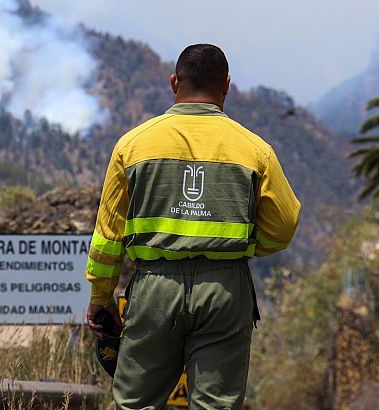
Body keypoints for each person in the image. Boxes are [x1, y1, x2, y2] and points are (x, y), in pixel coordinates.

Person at [85, 44, 300, 410]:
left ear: (174, 82)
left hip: (155, 289)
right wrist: (241, 245)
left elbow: (109, 236)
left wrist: (101, 298)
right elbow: (283, 227)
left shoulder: (132, 146)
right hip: (225, 290)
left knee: (134, 403)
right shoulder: (255, 150)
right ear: (227, 85)